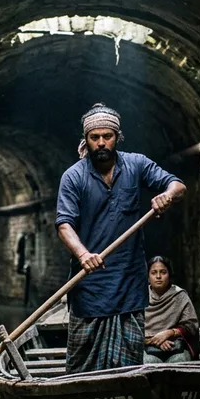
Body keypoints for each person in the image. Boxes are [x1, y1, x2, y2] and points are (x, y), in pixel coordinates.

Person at [55, 104, 186, 373]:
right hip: (90, 284)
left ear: (117, 136)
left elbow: (178, 185)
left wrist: (167, 195)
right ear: (86, 140)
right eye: (95, 137)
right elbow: (64, 224)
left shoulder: (137, 164)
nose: (101, 143)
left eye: (107, 136)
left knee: (127, 363)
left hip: (129, 282)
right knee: (82, 363)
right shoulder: (73, 177)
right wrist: (83, 255)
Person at [143, 256, 199, 363]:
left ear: (169, 275)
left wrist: (170, 333)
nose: (158, 276)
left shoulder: (180, 296)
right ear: (148, 277)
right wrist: (156, 340)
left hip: (176, 346)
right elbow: (135, 327)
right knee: (150, 363)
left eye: (163, 272)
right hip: (147, 346)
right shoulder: (140, 296)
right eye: (154, 273)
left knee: (179, 362)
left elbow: (191, 325)